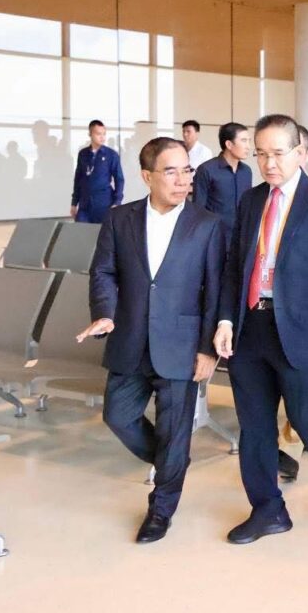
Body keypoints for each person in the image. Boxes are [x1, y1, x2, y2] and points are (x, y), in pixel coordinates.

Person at [214, 114, 308, 544]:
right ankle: (268, 510)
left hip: (298, 332)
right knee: (254, 425)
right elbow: (234, 268)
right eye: (260, 154)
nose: (268, 163)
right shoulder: (251, 200)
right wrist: (225, 319)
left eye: (278, 153)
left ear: (300, 153)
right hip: (250, 326)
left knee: (305, 416)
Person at [77, 137, 223, 543]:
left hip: (182, 343)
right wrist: (105, 313)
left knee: (175, 430)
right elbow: (103, 271)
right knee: (118, 416)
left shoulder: (207, 224)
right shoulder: (119, 219)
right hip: (130, 338)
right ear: (147, 176)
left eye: (187, 170)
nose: (182, 180)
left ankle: (161, 510)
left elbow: (215, 289)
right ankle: (172, 461)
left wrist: (208, 349)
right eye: (171, 171)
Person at [192, 122, 253, 235]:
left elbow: (248, 205)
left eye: (249, 141)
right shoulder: (206, 170)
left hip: (241, 235)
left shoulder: (246, 171)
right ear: (229, 144)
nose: (248, 146)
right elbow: (198, 208)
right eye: (244, 141)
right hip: (215, 235)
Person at [71, 119, 124, 223]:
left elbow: (119, 179)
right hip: (85, 204)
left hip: (104, 204)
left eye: (104, 134)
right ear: (90, 134)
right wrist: (74, 203)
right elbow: (78, 179)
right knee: (80, 230)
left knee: (103, 232)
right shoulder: (83, 154)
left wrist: (117, 202)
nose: (102, 137)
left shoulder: (111, 155)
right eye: (98, 134)